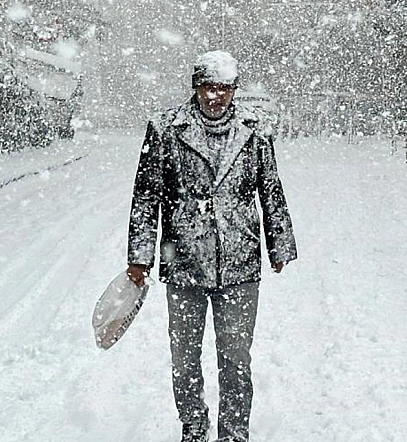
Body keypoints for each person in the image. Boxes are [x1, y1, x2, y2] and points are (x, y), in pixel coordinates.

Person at [126, 50, 297, 442]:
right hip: (183, 260)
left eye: (223, 88)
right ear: (195, 87)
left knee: (235, 357)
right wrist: (140, 257)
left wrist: (280, 243)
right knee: (184, 357)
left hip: (239, 260)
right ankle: (193, 424)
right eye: (207, 87)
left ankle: (234, 431)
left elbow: (270, 188)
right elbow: (146, 196)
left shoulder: (255, 129)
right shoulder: (166, 128)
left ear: (234, 89)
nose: (215, 96)